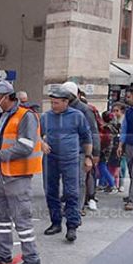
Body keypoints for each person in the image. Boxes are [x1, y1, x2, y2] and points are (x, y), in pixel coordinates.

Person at [0, 80, 43, 264]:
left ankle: (32, 259)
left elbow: (25, 146)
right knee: (0, 217)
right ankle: (3, 253)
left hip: (18, 175)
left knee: (21, 218)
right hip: (1, 173)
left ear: (5, 97)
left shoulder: (26, 116)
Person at [41, 87, 92, 242]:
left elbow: (87, 137)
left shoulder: (77, 116)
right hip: (50, 159)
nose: (53, 106)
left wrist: (88, 157)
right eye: (51, 102)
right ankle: (56, 222)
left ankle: (72, 225)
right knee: (51, 191)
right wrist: (41, 143)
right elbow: (36, 135)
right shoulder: (46, 117)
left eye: (56, 103)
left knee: (71, 192)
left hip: (70, 159)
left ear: (66, 102)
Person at [61, 82, 100, 214]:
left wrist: (94, 153)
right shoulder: (62, 108)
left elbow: (93, 132)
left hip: (81, 150)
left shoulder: (84, 110)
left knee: (79, 180)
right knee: (68, 180)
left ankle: (77, 208)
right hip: (66, 150)